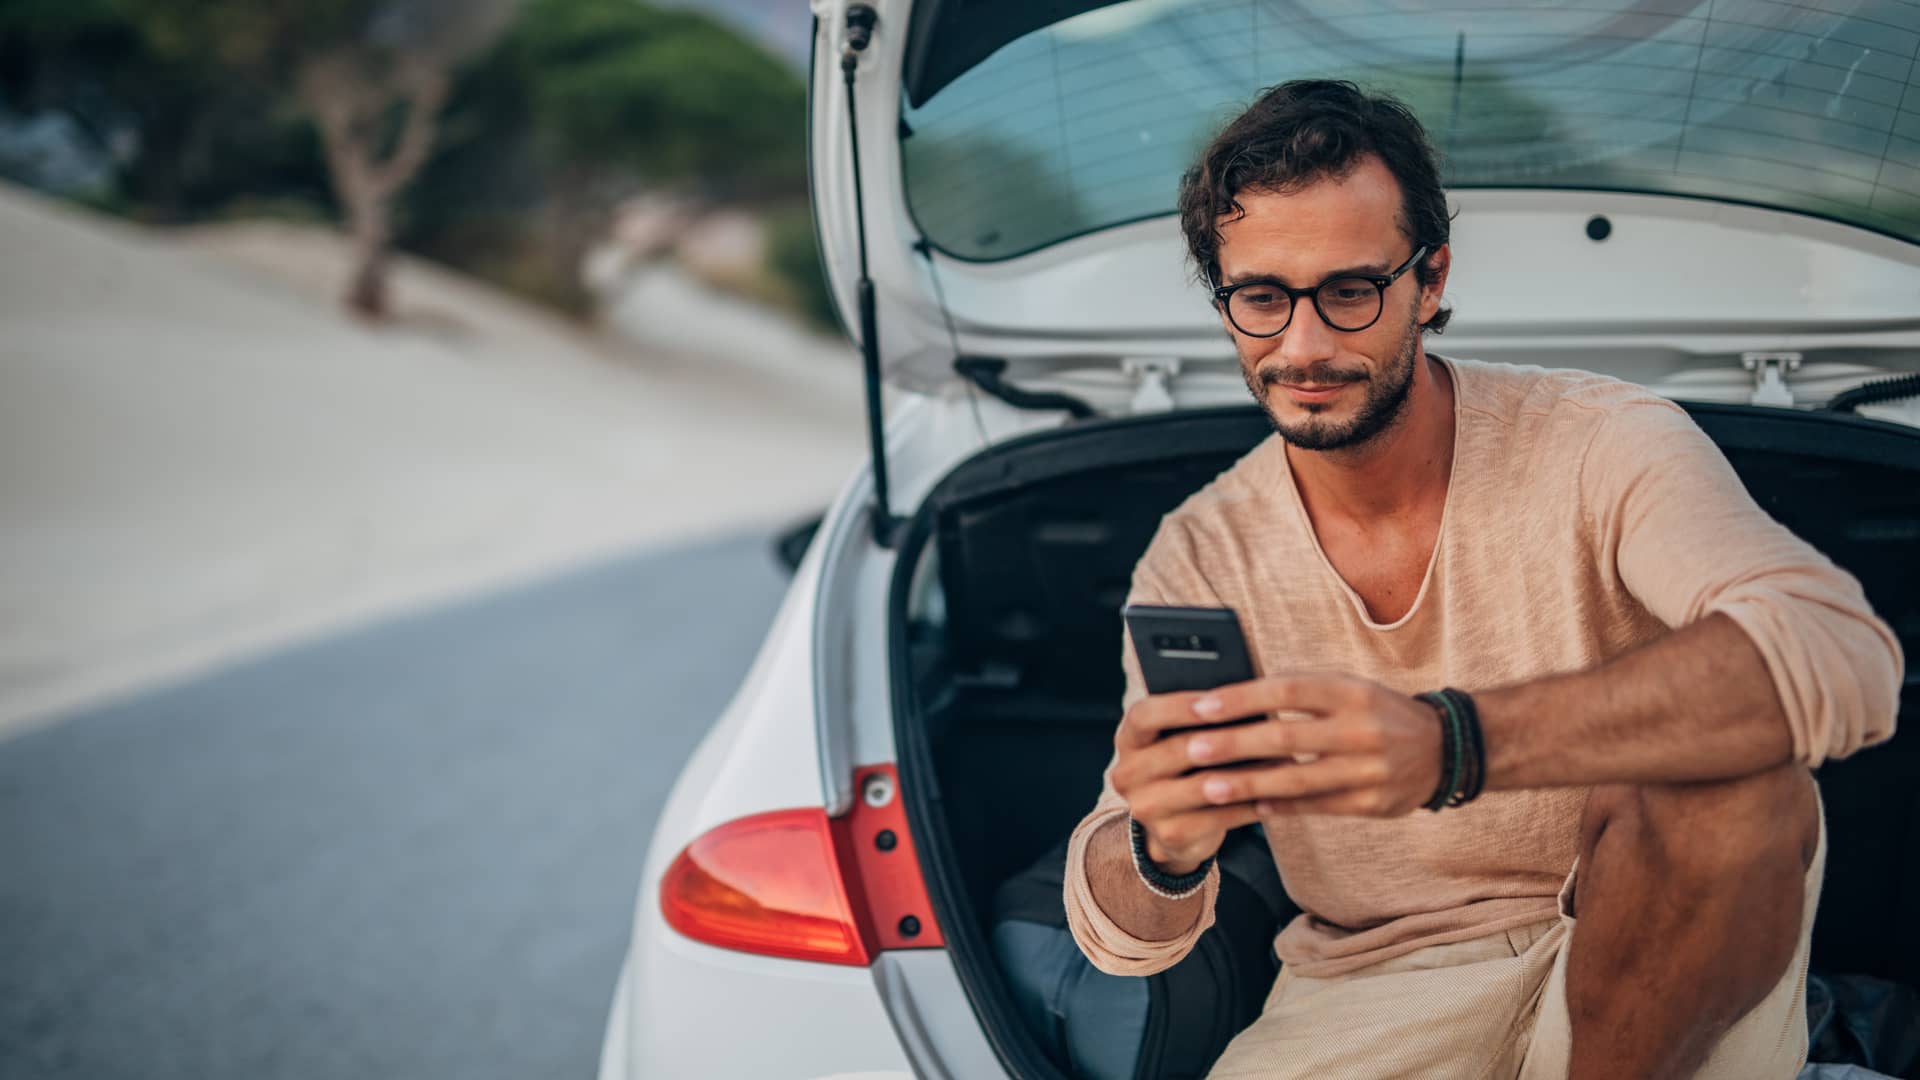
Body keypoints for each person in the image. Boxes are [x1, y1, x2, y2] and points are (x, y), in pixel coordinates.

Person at [1061, 80, 1904, 1080]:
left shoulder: (1603, 442)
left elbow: (1841, 657)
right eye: (1261, 298)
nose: (1303, 345)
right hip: (1369, 993)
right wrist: (1164, 845)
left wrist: (1454, 743)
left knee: (1730, 775)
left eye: (1350, 290)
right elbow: (1126, 940)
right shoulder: (1202, 550)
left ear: (1431, 279)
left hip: (1652, 956)